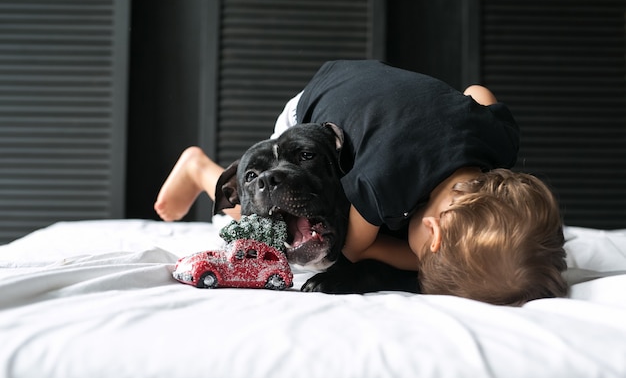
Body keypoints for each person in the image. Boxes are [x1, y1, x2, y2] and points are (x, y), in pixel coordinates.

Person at [155, 60, 568, 305]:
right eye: (427, 253)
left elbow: (478, 91)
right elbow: (357, 247)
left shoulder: (500, 143)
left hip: (373, 84)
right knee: (280, 202)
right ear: (431, 231)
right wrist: (421, 260)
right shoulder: (379, 181)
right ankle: (200, 169)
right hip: (314, 109)